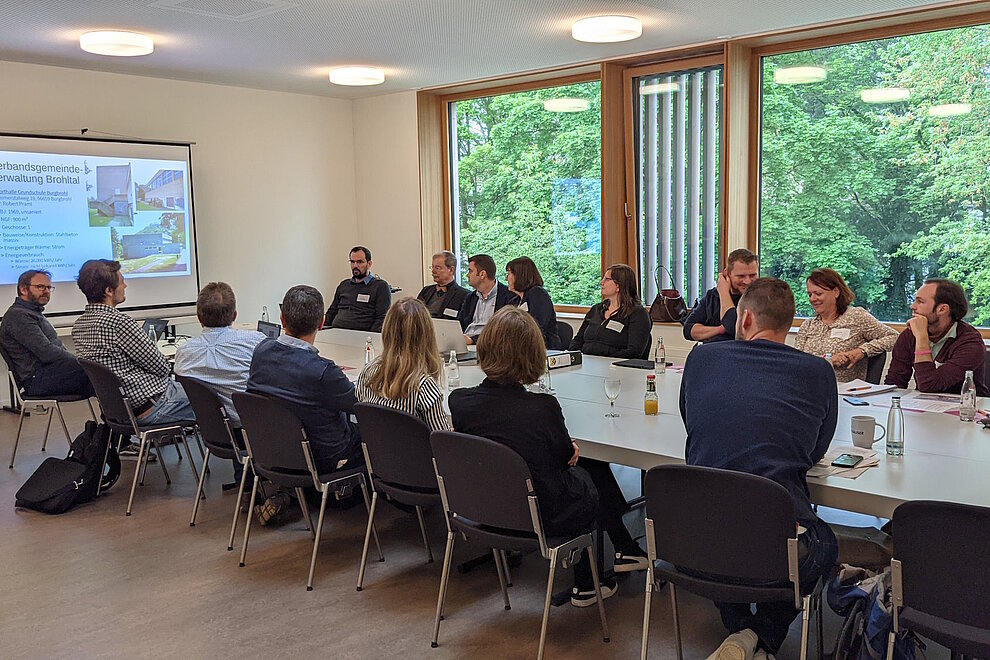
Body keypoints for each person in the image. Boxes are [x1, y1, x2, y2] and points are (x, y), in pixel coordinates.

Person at [679, 277, 838, 660]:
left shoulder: (701, 358)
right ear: (789, 324)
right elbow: (813, 451)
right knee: (825, 546)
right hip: (774, 543)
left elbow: (692, 421)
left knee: (723, 532)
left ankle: (739, 630)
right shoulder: (818, 372)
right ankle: (762, 635)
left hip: (692, 540)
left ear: (745, 318)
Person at [449, 307, 648, 608]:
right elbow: (566, 457)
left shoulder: (460, 402)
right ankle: (588, 582)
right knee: (589, 469)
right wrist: (570, 452)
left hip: (485, 508)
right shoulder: (541, 408)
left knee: (581, 469)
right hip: (544, 515)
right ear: (533, 355)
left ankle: (623, 546)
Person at [248, 285, 361, 476]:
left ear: (282, 319)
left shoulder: (260, 352)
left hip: (272, 449)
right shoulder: (324, 371)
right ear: (322, 322)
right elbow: (358, 404)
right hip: (323, 455)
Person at [72, 259, 194, 427]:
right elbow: (162, 368)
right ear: (108, 291)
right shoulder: (118, 323)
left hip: (119, 411)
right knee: (214, 399)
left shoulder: (79, 325)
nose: (125, 286)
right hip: (154, 406)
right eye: (122, 282)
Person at [174, 282, 264, 486]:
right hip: (253, 430)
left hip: (215, 431)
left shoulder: (184, 352)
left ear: (198, 317)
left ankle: (246, 478)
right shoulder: (255, 342)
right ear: (234, 315)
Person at [356, 297, 451, 431]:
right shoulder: (423, 386)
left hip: (377, 450)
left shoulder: (368, 372)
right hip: (418, 452)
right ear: (426, 334)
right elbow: (443, 443)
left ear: (387, 331)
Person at [884, 278, 988, 395]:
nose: (912, 306)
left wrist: (922, 338)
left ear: (942, 309)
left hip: (966, 408)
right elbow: (894, 383)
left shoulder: (970, 342)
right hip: (924, 406)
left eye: (920, 301)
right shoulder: (909, 335)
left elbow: (929, 385)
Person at [0, 269, 94, 398]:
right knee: (101, 374)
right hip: (38, 380)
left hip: (50, 374)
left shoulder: (32, 312)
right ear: (23, 289)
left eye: (49, 287)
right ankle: (118, 417)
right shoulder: (18, 316)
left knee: (102, 375)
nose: (46, 291)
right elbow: (47, 353)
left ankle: (114, 417)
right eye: (40, 287)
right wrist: (82, 363)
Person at [795, 268, 897, 382]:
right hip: (807, 388)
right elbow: (797, 362)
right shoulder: (808, 325)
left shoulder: (856, 317)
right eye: (810, 294)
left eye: (818, 293)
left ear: (836, 292)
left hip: (846, 393)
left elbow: (894, 337)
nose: (812, 299)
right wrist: (828, 361)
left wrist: (862, 351)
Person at [569, 264, 651, 358]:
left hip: (616, 367)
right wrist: (573, 356)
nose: (601, 282)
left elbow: (634, 352)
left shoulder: (638, 314)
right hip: (586, 363)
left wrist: (606, 361)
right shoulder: (596, 309)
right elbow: (578, 340)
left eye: (607, 279)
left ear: (619, 285)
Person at [682, 248, 759, 343]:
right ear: (727, 273)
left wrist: (724, 293)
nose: (747, 281)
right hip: (710, 352)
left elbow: (733, 328)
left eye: (752, 275)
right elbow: (688, 330)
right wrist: (721, 329)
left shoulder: (761, 298)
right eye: (741, 276)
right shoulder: (712, 296)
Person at [324, 246, 391, 332]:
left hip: (362, 336)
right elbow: (332, 312)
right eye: (352, 262)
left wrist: (370, 337)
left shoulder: (380, 286)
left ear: (369, 264)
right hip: (336, 332)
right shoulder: (344, 285)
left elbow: (382, 318)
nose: (355, 266)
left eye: (360, 262)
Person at [456, 253, 519, 345]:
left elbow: (504, 331)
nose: (467, 275)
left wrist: (472, 340)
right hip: (464, 345)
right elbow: (460, 324)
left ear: (482, 274)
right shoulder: (470, 298)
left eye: (470, 271)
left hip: (490, 346)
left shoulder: (509, 297)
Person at [506, 256, 561, 349]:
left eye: (510, 273)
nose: (506, 278)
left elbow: (536, 327)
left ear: (520, 275)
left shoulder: (537, 293)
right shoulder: (514, 301)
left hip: (540, 350)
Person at [417, 250, 469, 320]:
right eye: (432, 267)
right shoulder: (426, 291)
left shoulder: (464, 295)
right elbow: (415, 314)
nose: (433, 271)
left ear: (451, 270)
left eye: (438, 268)